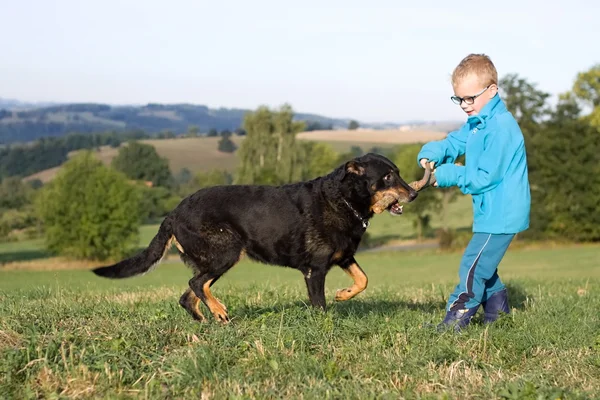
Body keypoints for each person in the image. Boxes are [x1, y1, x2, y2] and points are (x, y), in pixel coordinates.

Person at [417, 53, 531, 331]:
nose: (465, 105)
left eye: (471, 98)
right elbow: (456, 141)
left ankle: (455, 320)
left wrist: (444, 175)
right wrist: (432, 154)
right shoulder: (480, 121)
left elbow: (483, 178)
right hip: (490, 211)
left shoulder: (501, 128)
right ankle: (499, 315)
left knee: (472, 266)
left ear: (492, 90)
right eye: (459, 99)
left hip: (502, 213)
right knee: (484, 266)